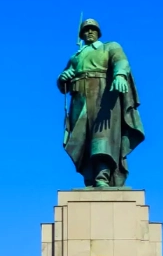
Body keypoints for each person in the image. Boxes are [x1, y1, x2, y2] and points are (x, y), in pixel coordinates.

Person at [57, 18, 145, 187]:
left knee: (102, 137)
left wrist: (120, 75)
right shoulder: (76, 56)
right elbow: (64, 82)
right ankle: (89, 178)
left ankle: (102, 177)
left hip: (103, 96)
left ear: (98, 32)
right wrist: (62, 79)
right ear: (81, 34)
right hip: (80, 99)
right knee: (82, 139)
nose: (89, 32)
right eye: (86, 30)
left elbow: (121, 61)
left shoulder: (109, 47)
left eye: (93, 29)